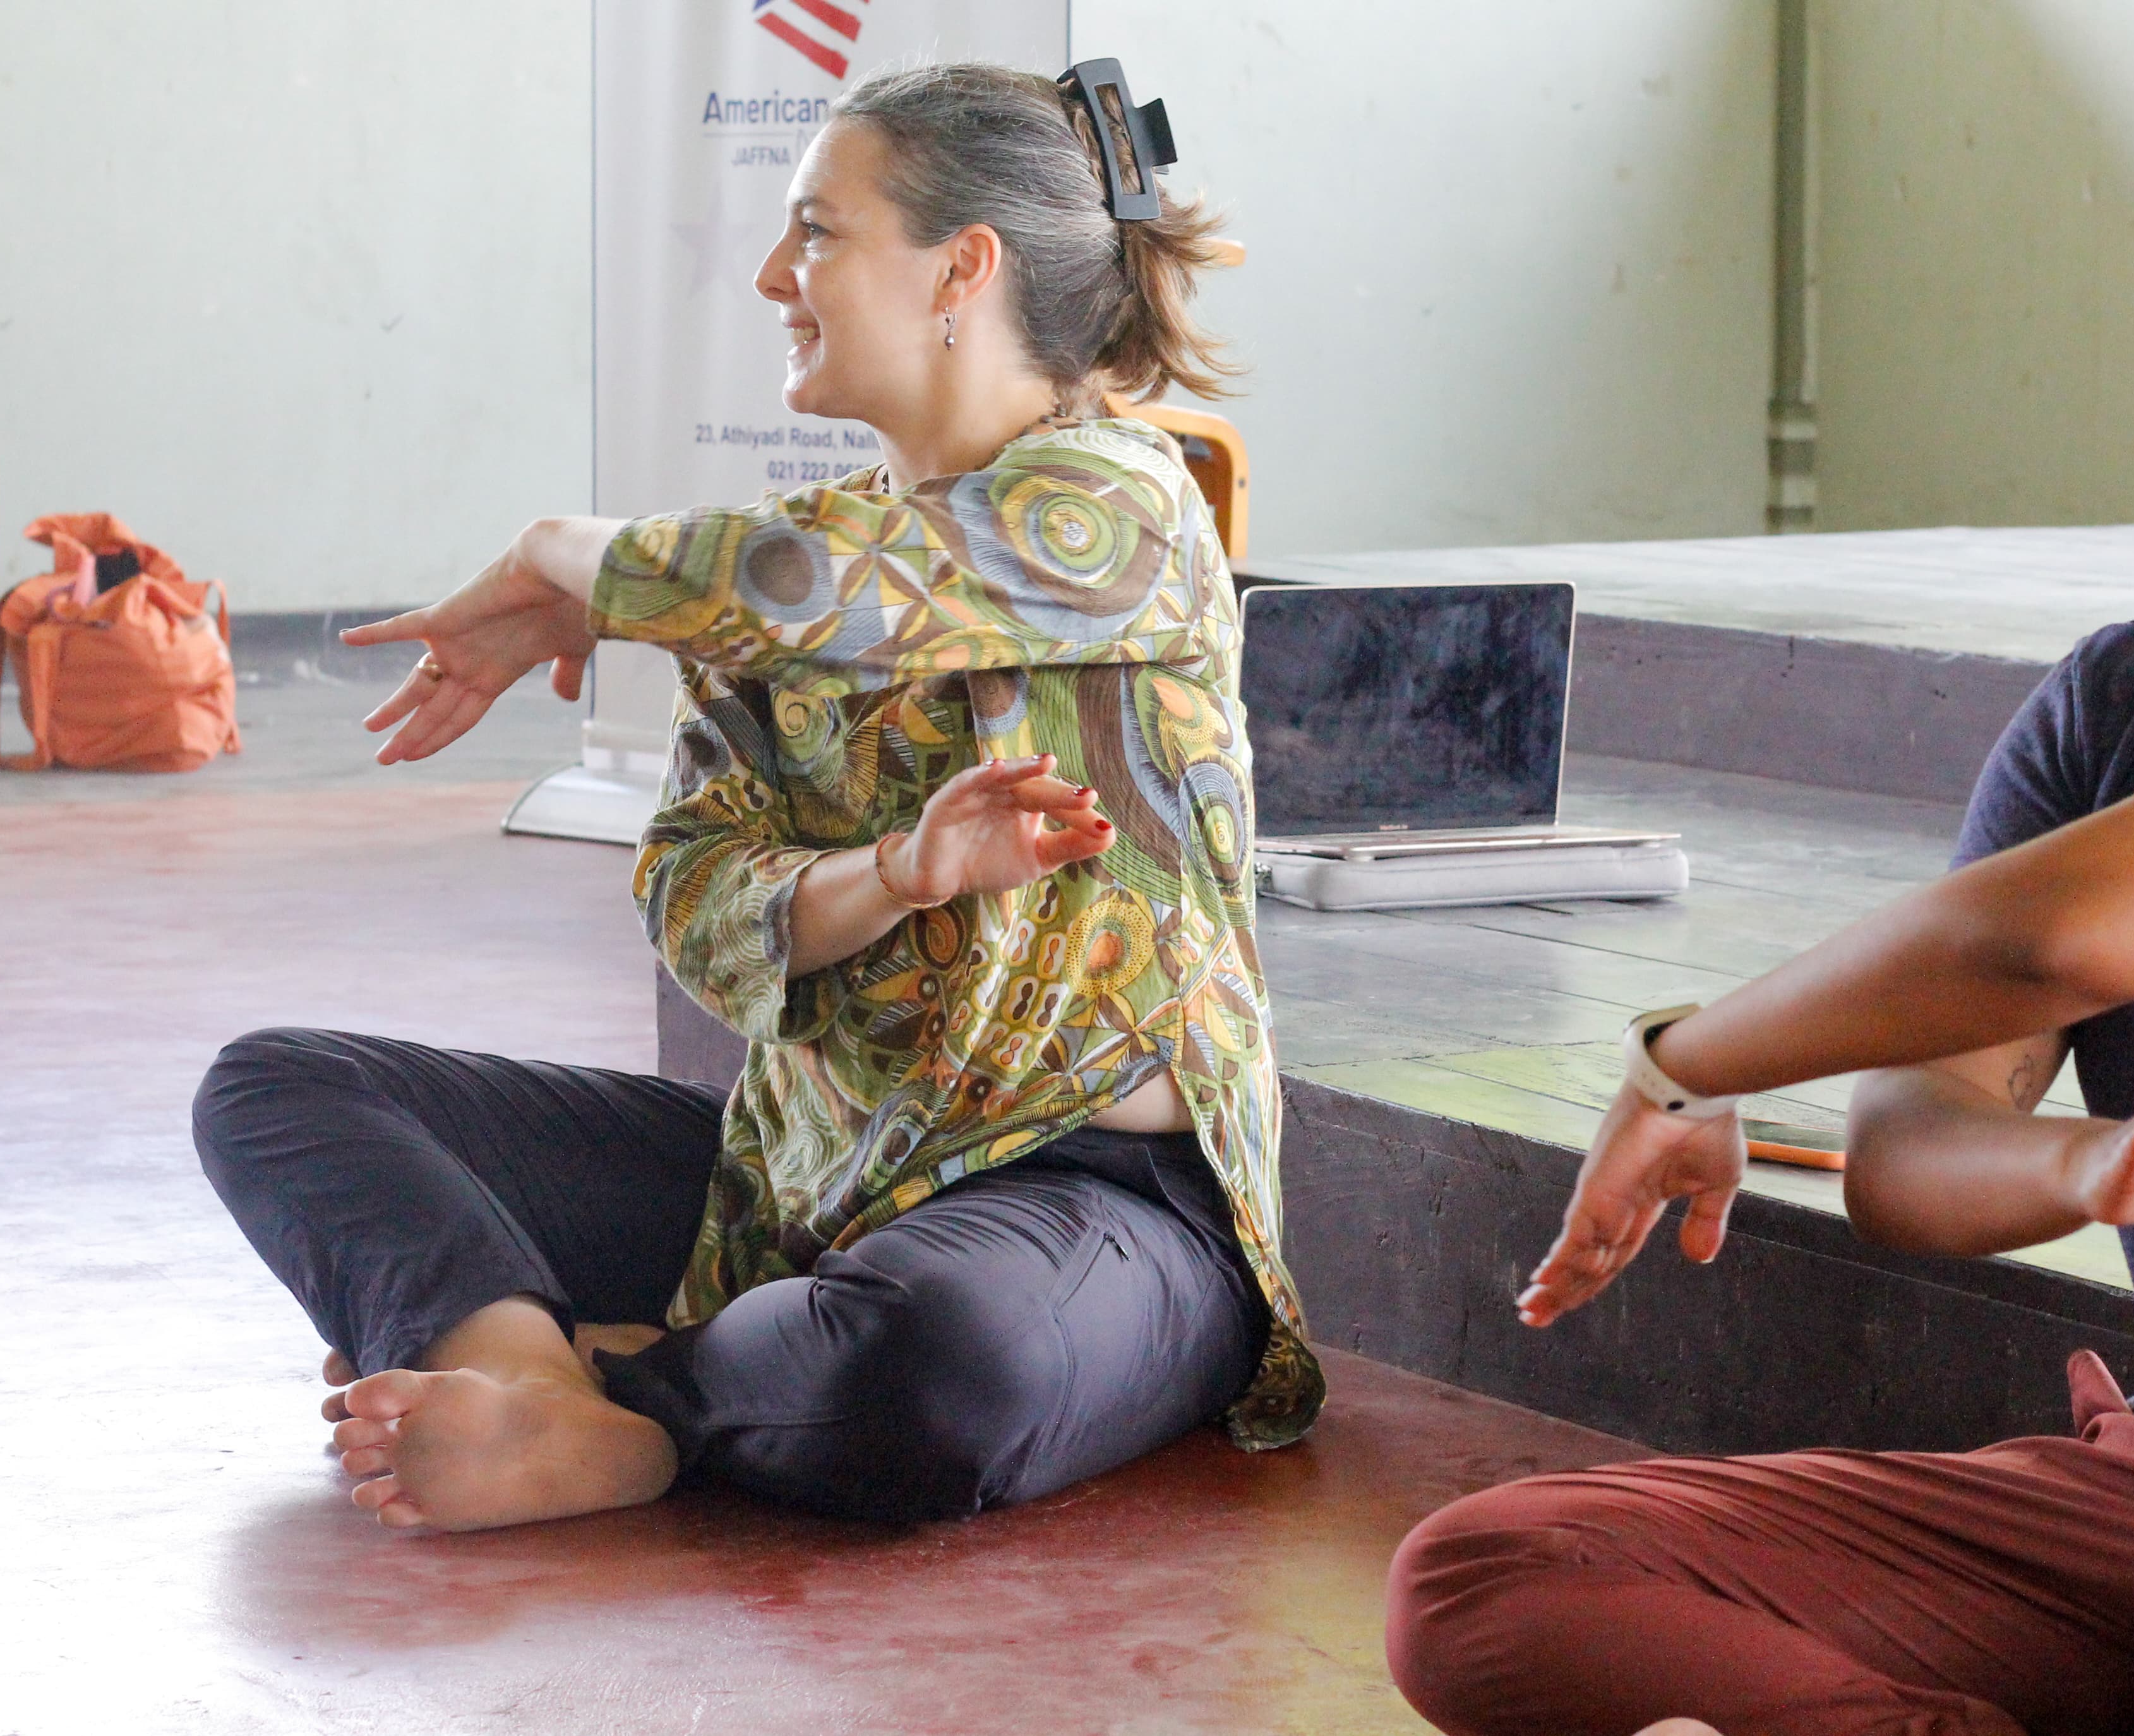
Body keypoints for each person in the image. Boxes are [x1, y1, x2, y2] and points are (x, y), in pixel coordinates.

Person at [1387, 90, 2134, 1736]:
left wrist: (1694, 1054)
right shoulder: (2119, 704)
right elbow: (1908, 1152)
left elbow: (2055, 938)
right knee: (1494, 1573)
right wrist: (2088, 1167)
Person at [191, 61, 1322, 1535]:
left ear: (960, 271)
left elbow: (853, 593)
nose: (774, 275)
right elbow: (697, 893)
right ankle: (530, 1382)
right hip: (798, 1180)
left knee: (937, 1365)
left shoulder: (1123, 503)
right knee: (279, 1090)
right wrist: (896, 874)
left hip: (1100, 1202)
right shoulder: (765, 579)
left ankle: (633, 1393)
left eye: (818, 232)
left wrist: (559, 555)